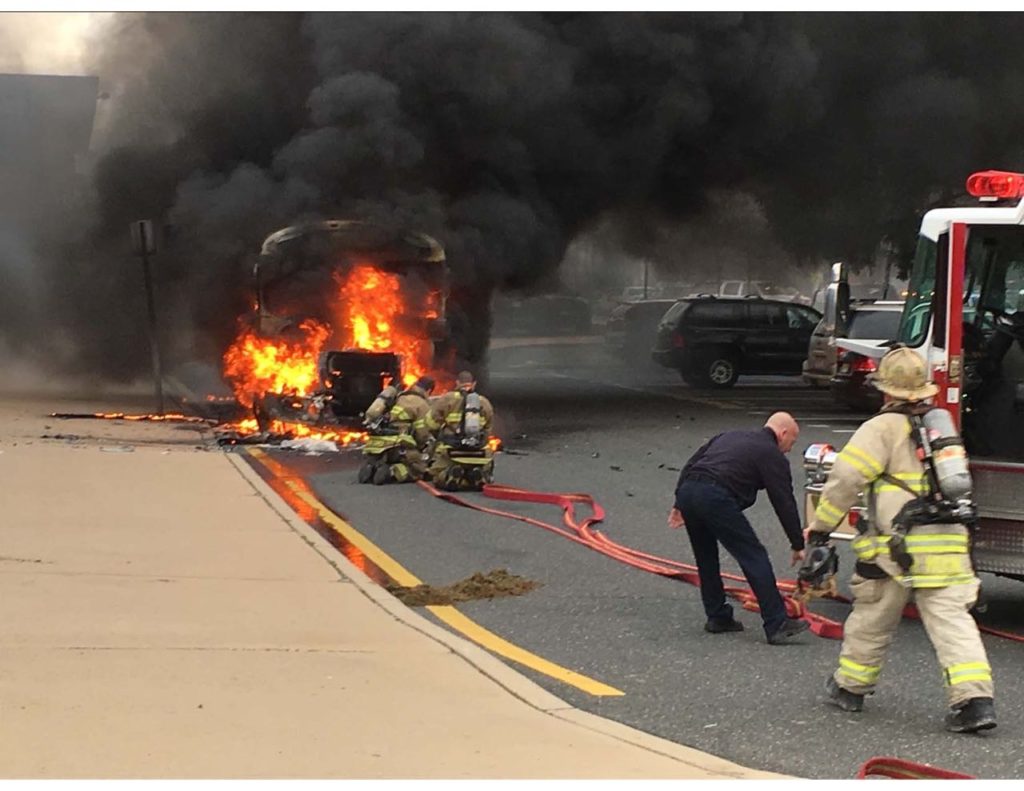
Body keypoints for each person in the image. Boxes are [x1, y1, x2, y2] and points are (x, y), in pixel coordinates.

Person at [807, 346, 995, 733]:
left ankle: (850, 688)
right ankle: (975, 703)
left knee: (873, 616)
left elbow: (846, 480)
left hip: (896, 547)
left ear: (886, 390)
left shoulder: (881, 428)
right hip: (948, 543)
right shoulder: (941, 427)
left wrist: (821, 527)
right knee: (953, 623)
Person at [668, 412, 809, 644]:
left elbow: (692, 463)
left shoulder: (730, 435)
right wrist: (797, 543)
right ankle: (777, 623)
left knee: (706, 557)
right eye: (791, 442)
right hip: (715, 495)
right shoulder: (771, 454)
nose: (789, 449)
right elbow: (783, 501)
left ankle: (717, 616)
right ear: (783, 434)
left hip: (690, 490)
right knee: (753, 556)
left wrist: (678, 503)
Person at [425, 370, 495, 490]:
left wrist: (439, 434)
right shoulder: (484, 402)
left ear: (457, 383)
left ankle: (451, 475)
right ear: (473, 384)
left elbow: (430, 423)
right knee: (484, 470)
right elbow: (488, 429)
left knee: (436, 474)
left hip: (452, 451)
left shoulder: (447, 399)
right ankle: (476, 476)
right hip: (479, 451)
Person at [358, 375, 435, 485]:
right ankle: (391, 472)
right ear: (428, 390)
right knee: (419, 469)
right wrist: (421, 448)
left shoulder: (398, 396)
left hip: (378, 442)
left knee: (392, 456)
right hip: (398, 444)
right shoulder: (422, 405)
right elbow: (422, 434)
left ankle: (372, 466)